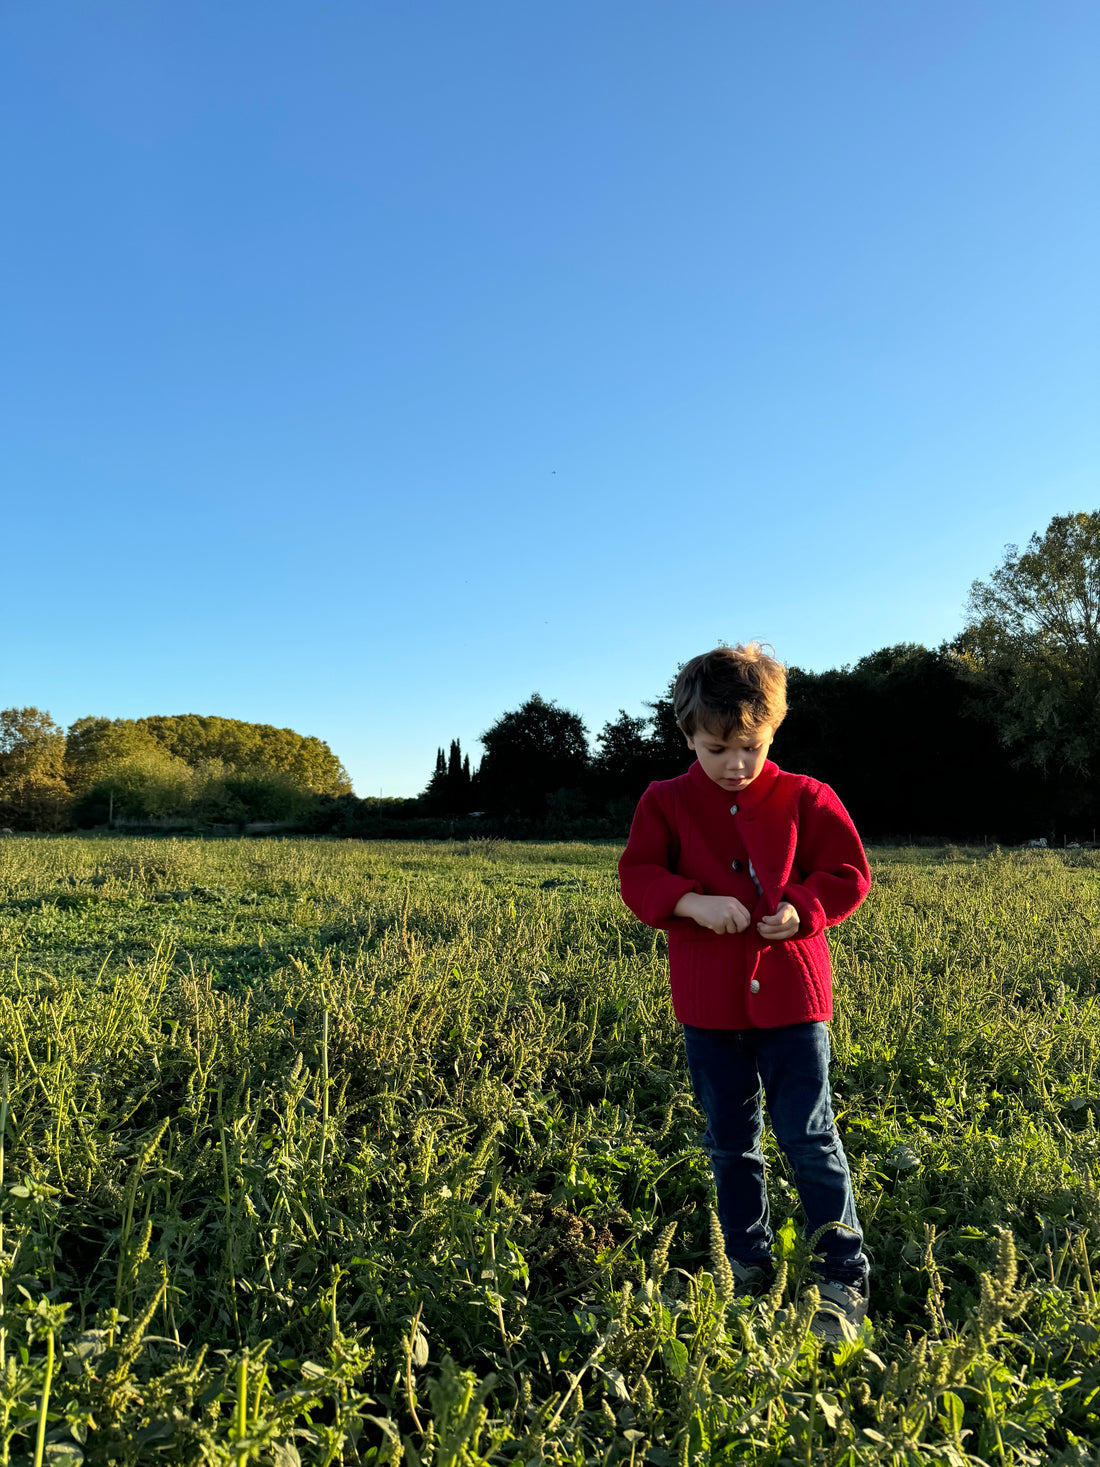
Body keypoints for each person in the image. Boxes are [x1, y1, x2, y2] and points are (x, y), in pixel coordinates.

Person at [618, 644, 872, 1337]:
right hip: (708, 1007)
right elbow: (637, 876)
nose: (734, 764)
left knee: (809, 1134)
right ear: (687, 736)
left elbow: (848, 871)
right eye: (714, 749)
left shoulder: (806, 796)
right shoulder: (664, 801)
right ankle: (746, 1263)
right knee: (731, 1141)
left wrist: (801, 908)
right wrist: (690, 902)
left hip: (794, 1001)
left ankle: (842, 1273)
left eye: (750, 748)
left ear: (773, 732)